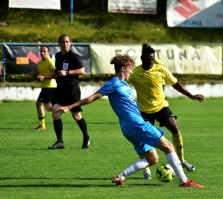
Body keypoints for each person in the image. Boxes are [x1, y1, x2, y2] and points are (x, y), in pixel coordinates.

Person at [56, 54, 204, 188]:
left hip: (130, 128)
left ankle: (121, 177)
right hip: (136, 125)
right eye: (130, 69)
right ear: (123, 69)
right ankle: (184, 181)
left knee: (152, 159)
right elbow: (92, 98)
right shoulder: (113, 83)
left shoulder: (125, 85)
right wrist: (69, 106)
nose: (132, 72)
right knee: (168, 146)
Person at [127, 45, 205, 179]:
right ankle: (145, 167)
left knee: (175, 128)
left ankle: (181, 160)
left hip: (161, 107)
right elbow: (122, 83)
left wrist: (191, 95)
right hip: (144, 111)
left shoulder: (161, 69)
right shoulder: (135, 73)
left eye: (152, 59)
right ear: (142, 58)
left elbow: (175, 83)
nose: (150, 62)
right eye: (147, 59)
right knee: (143, 139)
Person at [48, 34, 91, 149]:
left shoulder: (74, 56)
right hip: (60, 89)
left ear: (70, 43)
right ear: (59, 44)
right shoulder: (58, 56)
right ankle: (60, 142)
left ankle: (86, 137)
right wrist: (55, 73)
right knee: (55, 112)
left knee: (76, 115)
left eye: (67, 42)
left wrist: (67, 73)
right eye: (63, 42)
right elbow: (58, 68)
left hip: (72, 89)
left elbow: (82, 71)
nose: (65, 44)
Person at [30, 45, 56, 130]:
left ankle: (42, 125)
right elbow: (41, 75)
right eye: (41, 51)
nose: (42, 53)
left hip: (50, 86)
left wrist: (45, 78)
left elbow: (55, 74)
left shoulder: (50, 62)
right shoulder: (40, 62)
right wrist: (35, 74)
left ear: (48, 52)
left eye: (44, 51)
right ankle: (62, 107)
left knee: (38, 103)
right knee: (48, 108)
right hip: (45, 87)